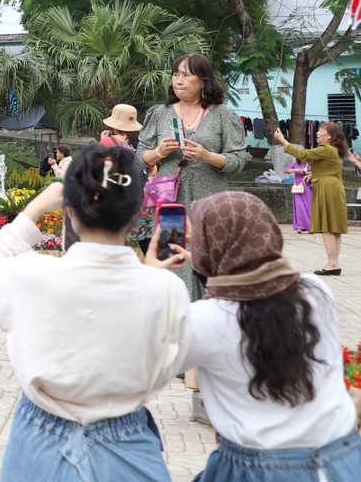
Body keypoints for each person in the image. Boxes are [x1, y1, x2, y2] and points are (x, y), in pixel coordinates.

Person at [0, 145, 190, 482]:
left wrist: (34, 210)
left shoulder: (31, 275)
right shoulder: (167, 290)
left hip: (38, 442)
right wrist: (153, 277)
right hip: (129, 446)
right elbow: (169, 362)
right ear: (136, 211)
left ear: (69, 211)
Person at [146, 191, 361, 481]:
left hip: (258, 469)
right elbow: (251, 286)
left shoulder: (205, 319)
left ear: (210, 247)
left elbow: (140, 369)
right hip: (343, 459)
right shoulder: (316, 291)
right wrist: (206, 264)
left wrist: (149, 281)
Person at [136, 52, 247, 299]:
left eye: (186, 75)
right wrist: (158, 151)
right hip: (170, 203)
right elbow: (140, 156)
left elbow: (238, 161)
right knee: (173, 257)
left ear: (204, 81)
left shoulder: (223, 115)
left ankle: (212, 315)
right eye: (175, 74)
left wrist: (206, 156)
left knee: (210, 258)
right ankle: (174, 315)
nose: (178, 80)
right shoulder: (158, 113)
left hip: (209, 203)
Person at [272, 122, 348, 275]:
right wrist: (314, 174)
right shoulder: (334, 150)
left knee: (327, 227)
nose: (317, 133)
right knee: (334, 228)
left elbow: (303, 156)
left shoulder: (325, 149)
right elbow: (332, 169)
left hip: (327, 189)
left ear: (330, 136)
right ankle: (334, 263)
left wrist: (282, 140)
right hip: (334, 187)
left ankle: (332, 264)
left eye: (321, 131)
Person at [286, 158, 311, 233]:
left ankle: (310, 226)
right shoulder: (295, 164)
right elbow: (286, 171)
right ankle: (300, 226)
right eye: (302, 159)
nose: (304, 160)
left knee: (309, 207)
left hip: (308, 187)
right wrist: (296, 170)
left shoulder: (311, 164)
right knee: (299, 207)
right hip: (298, 188)